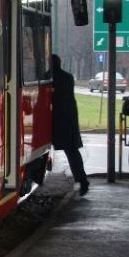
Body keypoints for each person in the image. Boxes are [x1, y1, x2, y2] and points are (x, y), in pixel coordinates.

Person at [50, 54, 89, 196]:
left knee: (71, 152)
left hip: (57, 121)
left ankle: (82, 181)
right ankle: (82, 180)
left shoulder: (50, 78)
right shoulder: (67, 77)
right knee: (72, 153)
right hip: (68, 121)